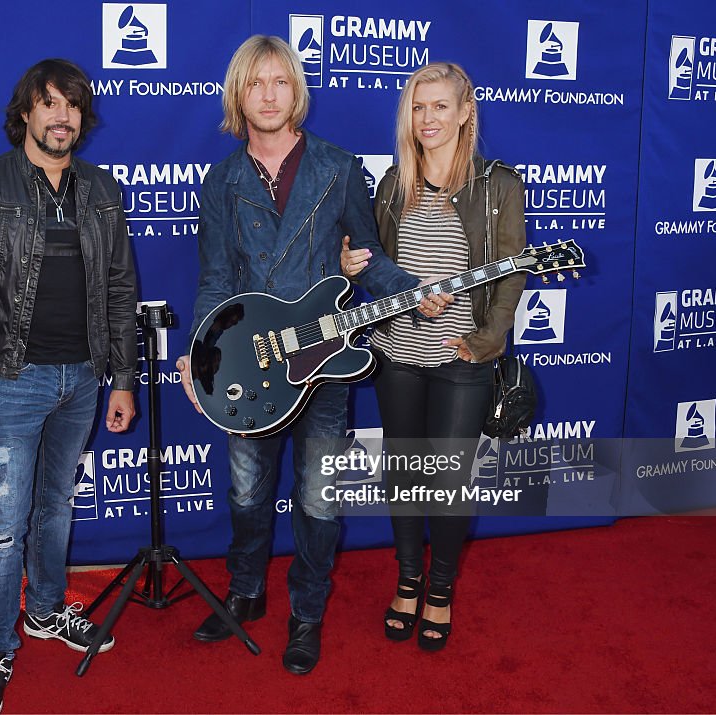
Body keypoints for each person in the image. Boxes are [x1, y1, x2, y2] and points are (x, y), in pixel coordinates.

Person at [175, 35, 444, 675]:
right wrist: (201, 353)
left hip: (324, 362)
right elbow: (215, 279)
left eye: (280, 82)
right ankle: (245, 594)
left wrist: (414, 294)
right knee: (245, 493)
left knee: (321, 499)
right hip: (245, 364)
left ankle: (307, 612)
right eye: (255, 84)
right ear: (238, 96)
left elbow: (368, 258)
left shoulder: (338, 167)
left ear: (297, 91)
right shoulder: (221, 181)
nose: (268, 95)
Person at [0, 59, 137, 715]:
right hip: (11, 378)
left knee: (55, 506)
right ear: (25, 112)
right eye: (50, 103)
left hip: (83, 378)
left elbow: (120, 288)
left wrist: (121, 377)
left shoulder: (101, 188)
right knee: (5, 526)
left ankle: (46, 611)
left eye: (73, 106)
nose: (63, 116)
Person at [341, 61, 526, 651]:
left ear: (466, 111)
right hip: (397, 352)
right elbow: (372, 264)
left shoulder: (497, 185)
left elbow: (511, 278)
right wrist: (353, 266)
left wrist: (485, 345)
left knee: (448, 483)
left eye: (440, 106)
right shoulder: (394, 184)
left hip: (462, 360)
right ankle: (407, 582)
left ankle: (440, 591)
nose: (428, 119)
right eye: (418, 108)